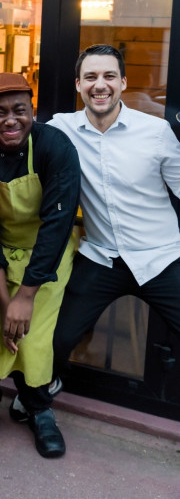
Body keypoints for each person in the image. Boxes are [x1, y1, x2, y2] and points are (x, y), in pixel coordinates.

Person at [48, 44, 180, 391]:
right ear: (78, 84)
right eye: (90, 77)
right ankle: (42, 392)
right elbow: (15, 134)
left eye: (108, 76)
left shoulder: (155, 131)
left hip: (161, 258)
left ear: (123, 81)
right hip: (101, 257)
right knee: (56, 339)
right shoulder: (62, 127)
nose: (99, 84)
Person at [0, 72, 80, 458]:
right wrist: (4, 299)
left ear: (32, 110)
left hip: (46, 254)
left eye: (19, 111)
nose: (10, 121)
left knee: (34, 339)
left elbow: (57, 224)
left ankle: (39, 409)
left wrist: (26, 296)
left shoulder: (55, 146)